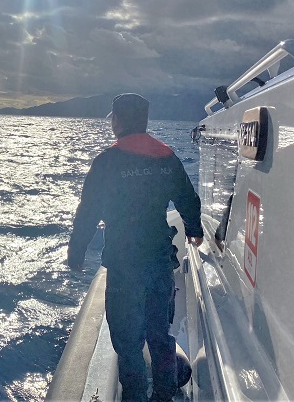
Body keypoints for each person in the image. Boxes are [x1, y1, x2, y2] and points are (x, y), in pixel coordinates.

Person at [67, 93, 202, 402]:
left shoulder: (107, 161)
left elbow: (87, 212)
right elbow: (187, 197)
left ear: (117, 120)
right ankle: (164, 396)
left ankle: (136, 397)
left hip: (125, 268)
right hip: (159, 262)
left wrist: (76, 252)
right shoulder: (166, 156)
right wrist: (194, 231)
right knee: (160, 336)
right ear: (144, 120)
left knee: (128, 343)